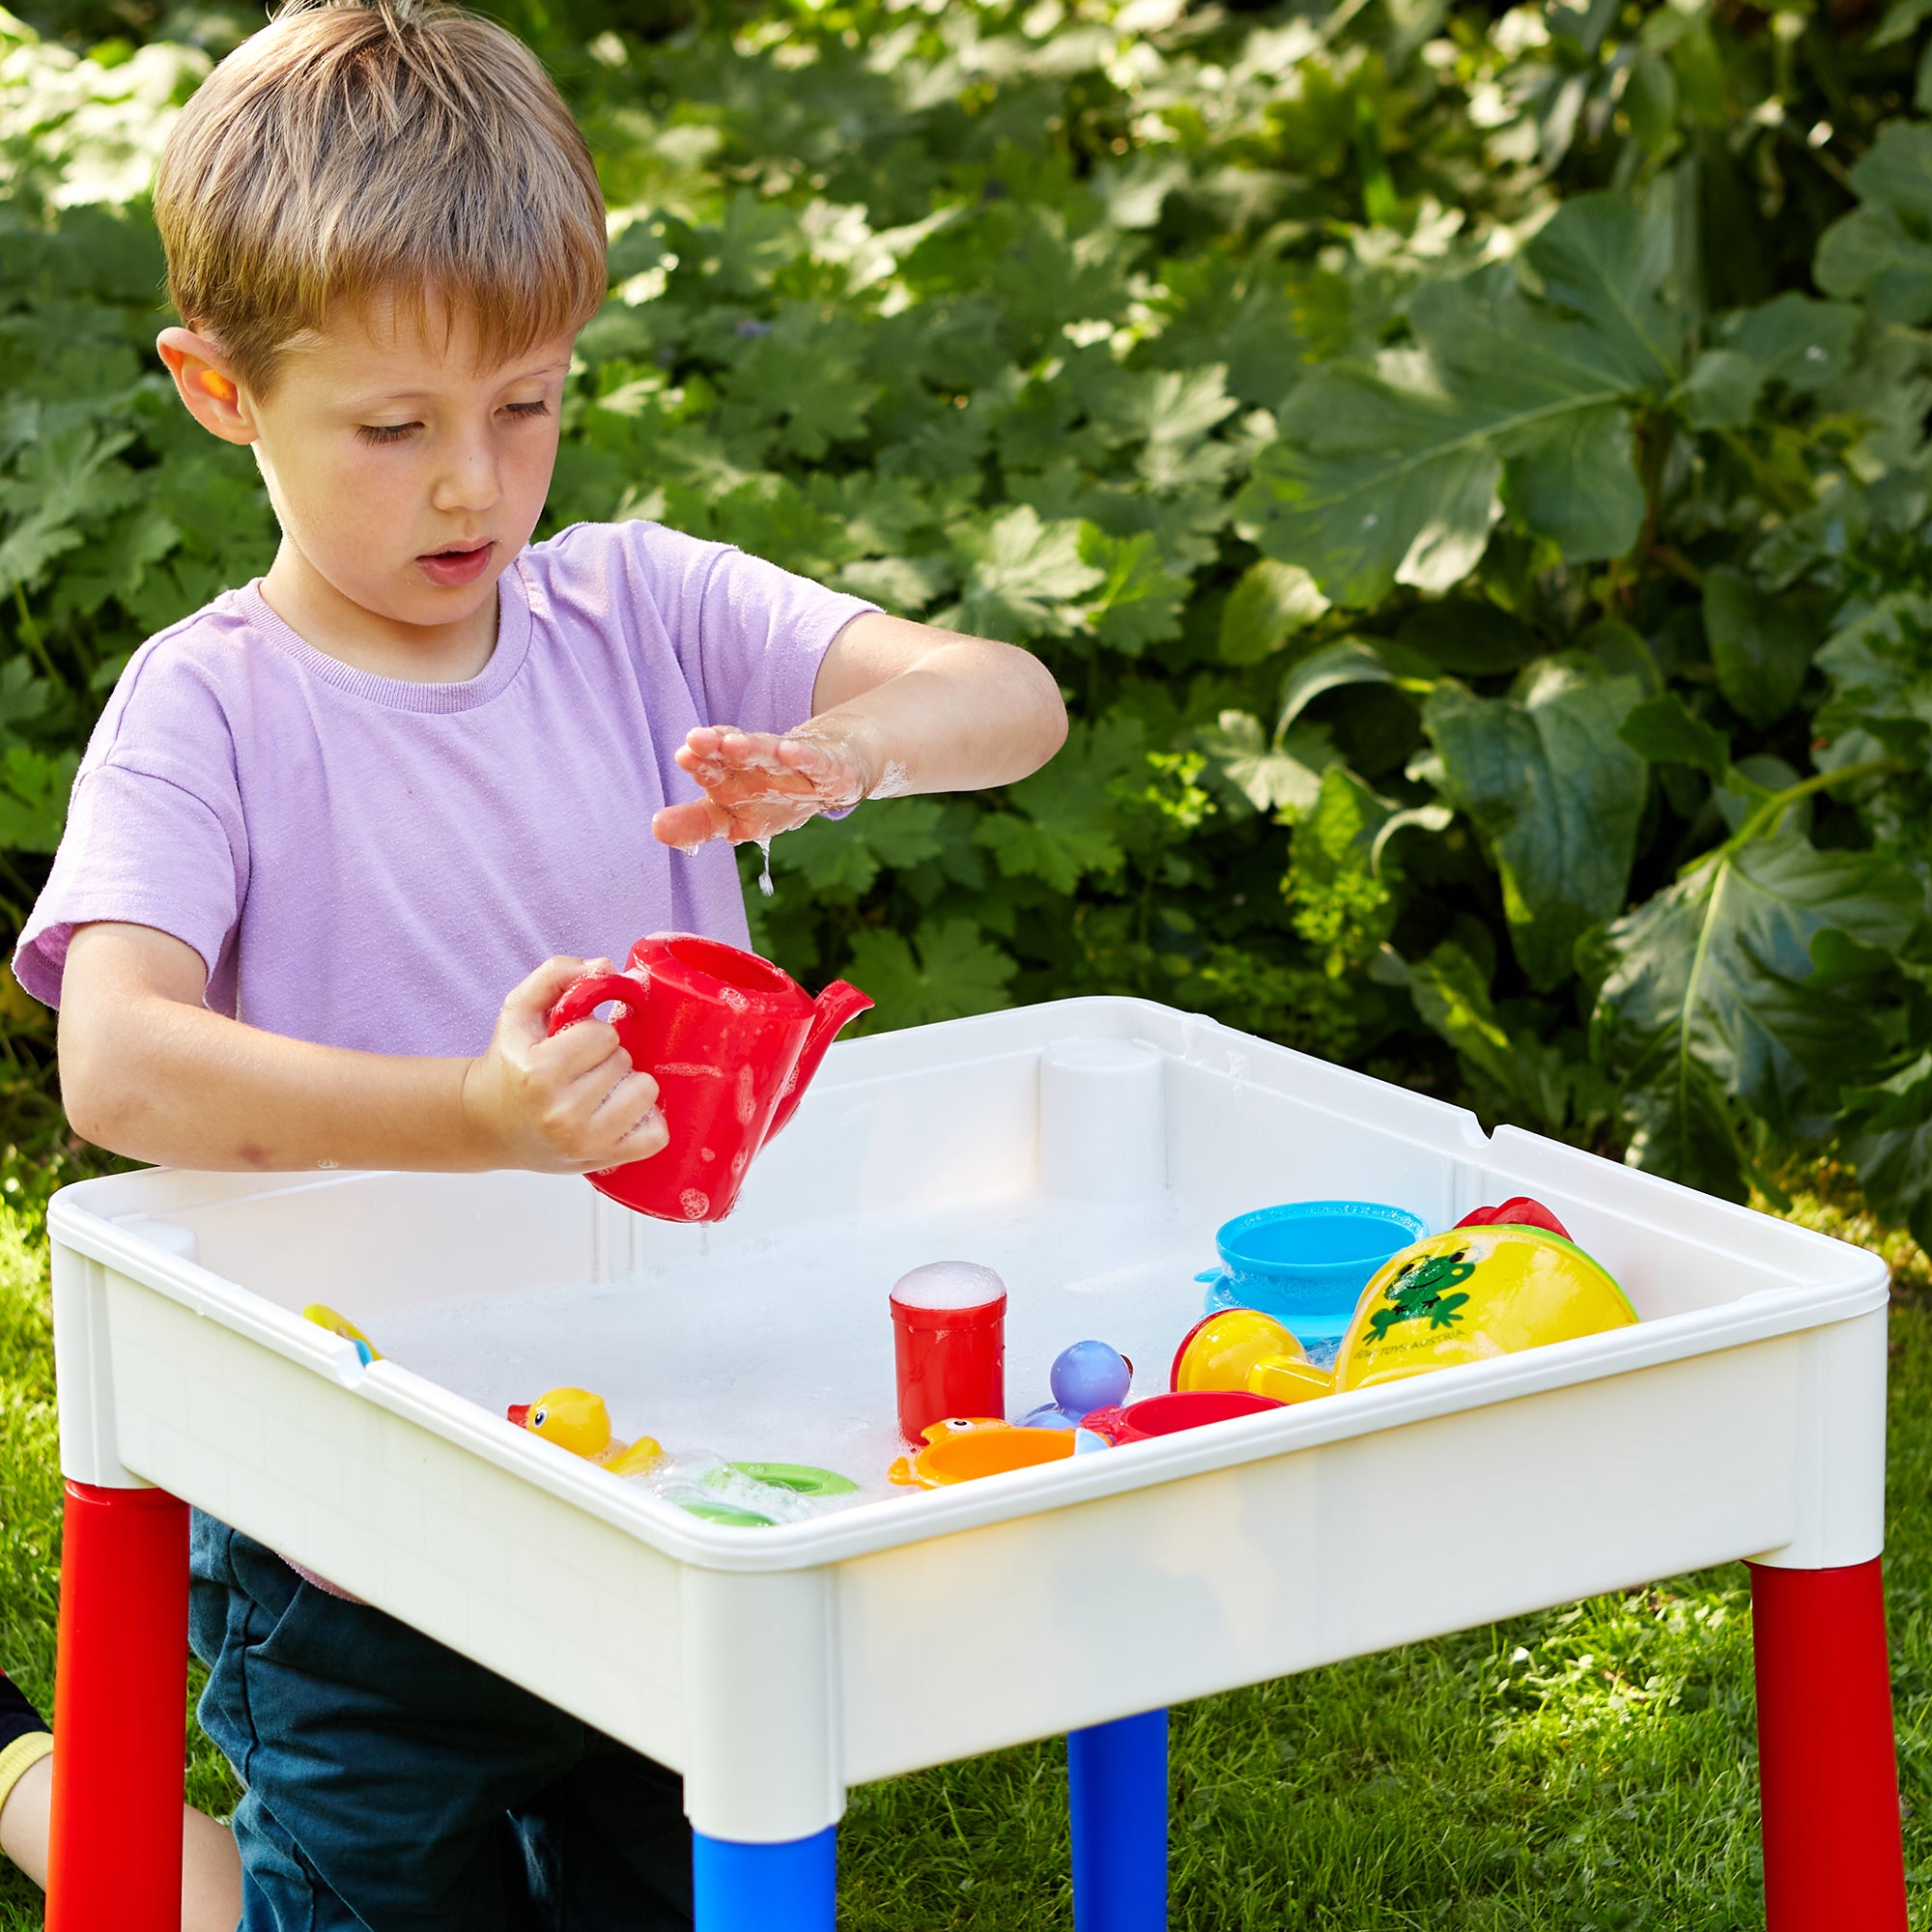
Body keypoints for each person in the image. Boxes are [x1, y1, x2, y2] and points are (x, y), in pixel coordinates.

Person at [7, 0, 1067, 1923]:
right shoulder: (211, 713)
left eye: (527, 402)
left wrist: (855, 748)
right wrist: (476, 1118)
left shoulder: (636, 607)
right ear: (220, 388)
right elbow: (120, 1064)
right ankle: (28, 1779)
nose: (475, 488)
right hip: (358, 1510)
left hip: (664, 1454)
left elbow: (1012, 698)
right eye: (394, 427)